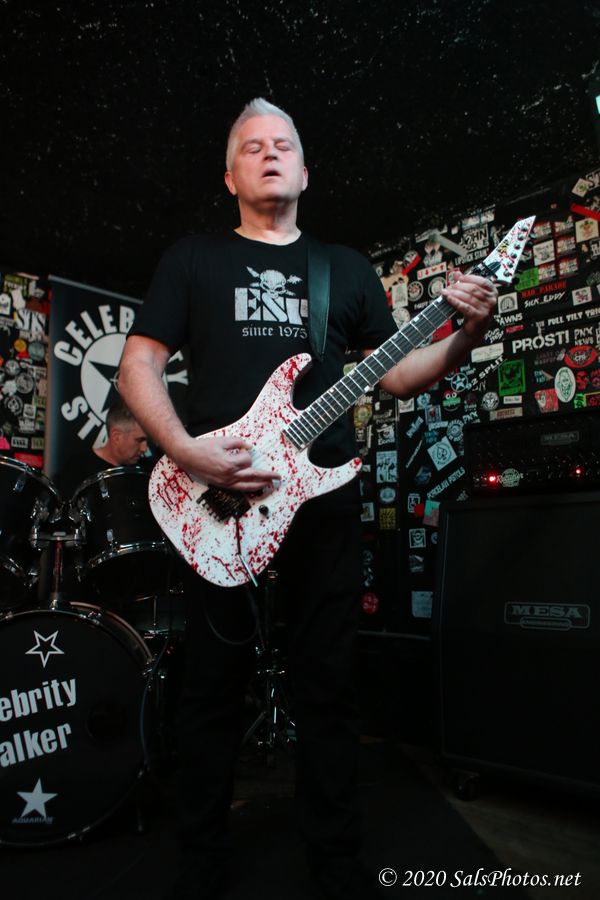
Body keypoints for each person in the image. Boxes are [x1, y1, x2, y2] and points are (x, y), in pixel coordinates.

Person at [117, 98, 497, 900]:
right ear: (230, 177)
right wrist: (185, 450)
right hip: (218, 500)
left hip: (321, 500)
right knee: (210, 687)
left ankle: (335, 858)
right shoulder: (193, 259)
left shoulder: (344, 269)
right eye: (251, 146)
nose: (269, 153)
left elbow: (396, 375)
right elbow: (137, 366)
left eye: (282, 144)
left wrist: (462, 335)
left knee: (328, 684)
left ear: (304, 169)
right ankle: (202, 860)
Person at [55, 397, 151, 498]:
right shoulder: (77, 468)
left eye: (147, 440)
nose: (144, 448)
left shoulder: (146, 471)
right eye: (140, 440)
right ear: (117, 437)